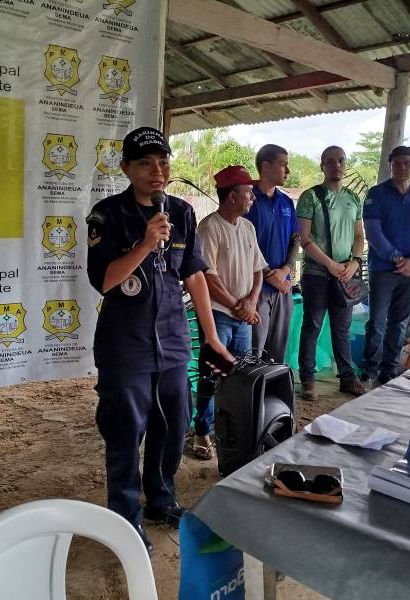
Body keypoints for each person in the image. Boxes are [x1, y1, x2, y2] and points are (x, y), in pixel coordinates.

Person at [85, 126, 233, 555]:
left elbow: (195, 277)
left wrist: (210, 336)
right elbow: (106, 281)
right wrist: (147, 243)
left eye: (163, 162)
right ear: (126, 168)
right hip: (125, 345)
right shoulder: (106, 215)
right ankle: (125, 518)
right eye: (145, 163)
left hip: (172, 341)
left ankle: (162, 499)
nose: (157, 171)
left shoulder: (183, 212)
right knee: (125, 430)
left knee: (173, 427)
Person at [193, 165, 268, 460]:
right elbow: (207, 278)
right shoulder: (209, 227)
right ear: (231, 196)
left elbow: (258, 270)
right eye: (248, 191)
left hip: (242, 315)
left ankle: (233, 428)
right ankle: (202, 430)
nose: (252, 197)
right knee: (212, 373)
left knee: (242, 373)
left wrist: (250, 302)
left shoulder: (247, 228)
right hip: (218, 315)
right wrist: (239, 306)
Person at [296, 146, 366, 398]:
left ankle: (347, 377)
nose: (336, 165)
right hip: (316, 274)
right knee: (312, 325)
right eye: (330, 161)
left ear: (345, 164)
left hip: (346, 275)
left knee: (342, 329)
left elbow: (359, 236)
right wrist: (330, 264)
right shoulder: (310, 197)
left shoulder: (354, 199)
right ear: (322, 165)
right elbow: (304, 239)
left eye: (340, 161)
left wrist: (355, 262)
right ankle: (307, 379)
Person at [360, 146, 410, 386]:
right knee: (377, 321)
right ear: (390, 165)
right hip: (383, 269)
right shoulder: (376, 194)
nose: (402, 167)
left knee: (399, 322)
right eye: (397, 163)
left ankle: (389, 370)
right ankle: (369, 369)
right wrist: (397, 258)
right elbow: (373, 232)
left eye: (407, 163)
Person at [244, 144, 300, 363]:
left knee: (278, 353)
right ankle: (253, 396)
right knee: (253, 352)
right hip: (255, 288)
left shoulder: (286, 201)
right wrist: (269, 275)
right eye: (283, 165)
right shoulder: (248, 199)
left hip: (283, 287)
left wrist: (285, 270)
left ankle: (274, 396)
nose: (288, 171)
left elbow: (295, 239)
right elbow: (245, 244)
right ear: (265, 166)